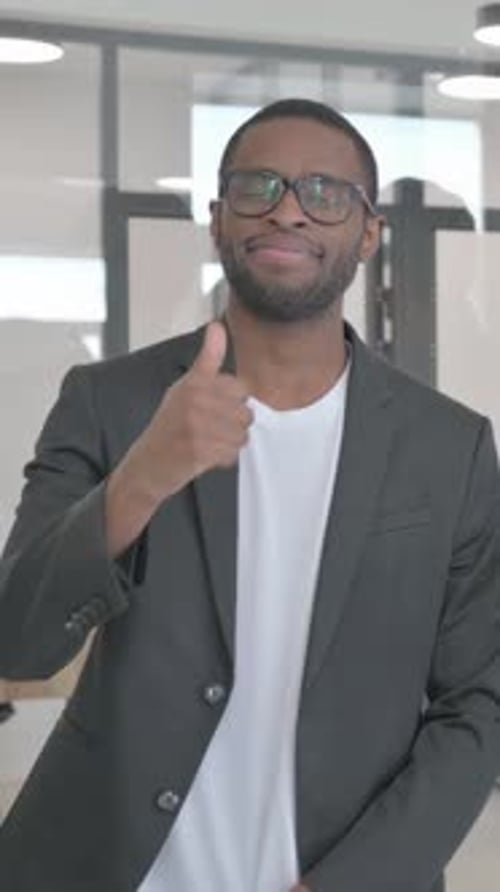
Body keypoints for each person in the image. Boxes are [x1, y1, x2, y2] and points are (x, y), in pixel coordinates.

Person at [0, 98, 499, 892]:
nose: (289, 210)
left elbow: (480, 706)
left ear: (368, 232)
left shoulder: (452, 447)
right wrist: (142, 478)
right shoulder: (109, 402)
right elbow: (15, 642)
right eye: (258, 186)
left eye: (325, 192)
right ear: (217, 220)